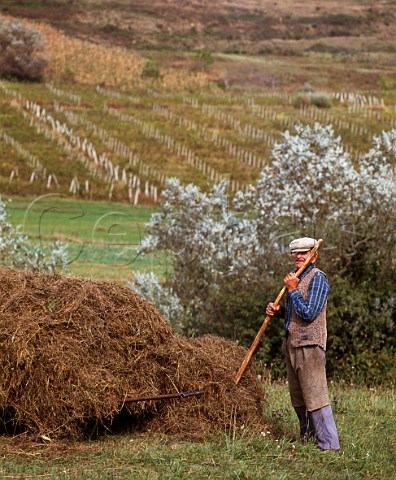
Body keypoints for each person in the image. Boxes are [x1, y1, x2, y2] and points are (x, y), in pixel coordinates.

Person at [266, 237, 340, 450]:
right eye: (294, 253)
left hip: (310, 345)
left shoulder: (318, 278)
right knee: (298, 398)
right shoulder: (298, 277)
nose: (298, 256)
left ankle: (328, 445)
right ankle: (307, 440)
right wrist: (278, 311)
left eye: (303, 253)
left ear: (313, 256)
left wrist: (293, 291)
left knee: (315, 395)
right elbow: (295, 313)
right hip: (292, 344)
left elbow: (308, 314)